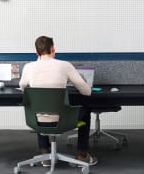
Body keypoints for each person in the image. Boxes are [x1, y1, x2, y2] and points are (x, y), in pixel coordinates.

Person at [19, 36, 98, 166]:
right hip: (63, 120)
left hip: (36, 119)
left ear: (36, 53)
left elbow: (22, 87)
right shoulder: (65, 65)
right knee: (85, 109)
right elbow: (87, 92)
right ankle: (82, 156)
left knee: (40, 107)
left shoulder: (28, 67)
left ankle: (45, 154)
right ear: (53, 49)